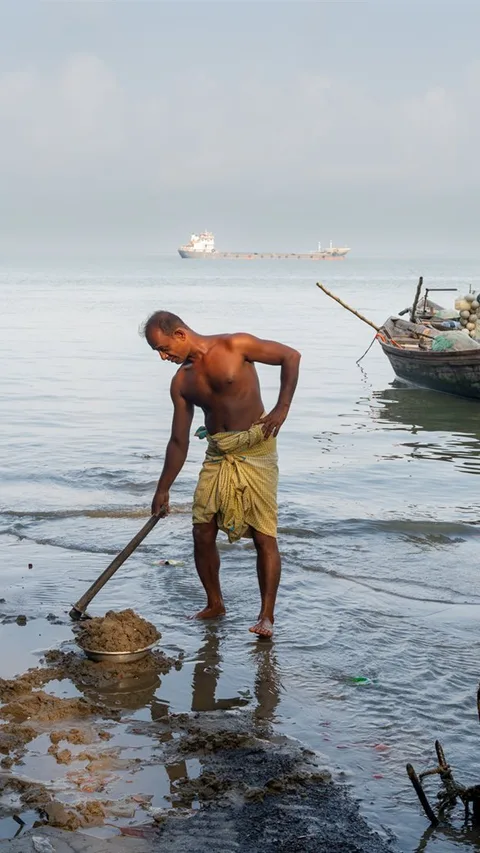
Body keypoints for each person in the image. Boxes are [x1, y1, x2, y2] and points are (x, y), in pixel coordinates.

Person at [142, 310, 300, 637]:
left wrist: (282, 407)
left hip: (256, 448)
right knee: (202, 531)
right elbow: (178, 440)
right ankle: (215, 603)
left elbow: (290, 356)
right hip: (218, 453)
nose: (163, 356)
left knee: (263, 534)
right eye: (157, 351)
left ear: (181, 334)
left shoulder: (236, 346)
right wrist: (163, 489)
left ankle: (266, 616)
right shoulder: (182, 382)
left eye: (164, 348)